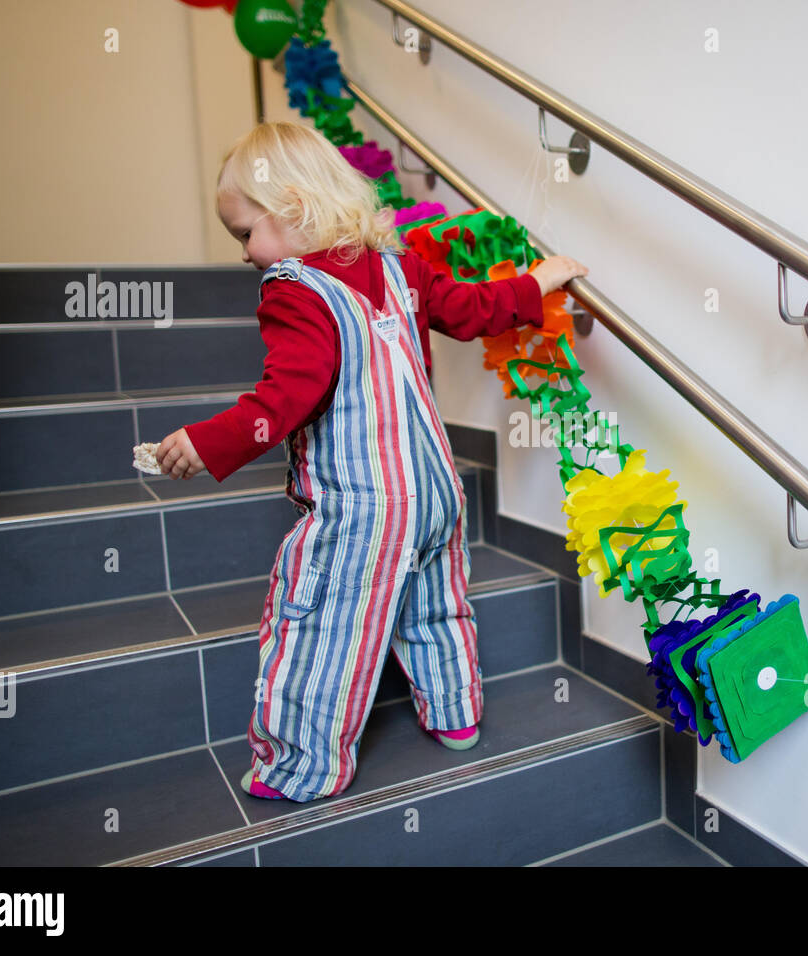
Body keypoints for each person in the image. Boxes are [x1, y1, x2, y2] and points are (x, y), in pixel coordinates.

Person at [153, 121, 588, 802]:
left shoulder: (294, 291)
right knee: (435, 606)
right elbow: (473, 311)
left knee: (324, 626)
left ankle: (302, 766)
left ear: (294, 208)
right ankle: (456, 715)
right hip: (435, 491)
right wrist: (536, 284)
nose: (244, 254)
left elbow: (286, 395)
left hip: (363, 508)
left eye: (245, 233)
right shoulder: (400, 265)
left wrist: (209, 442)